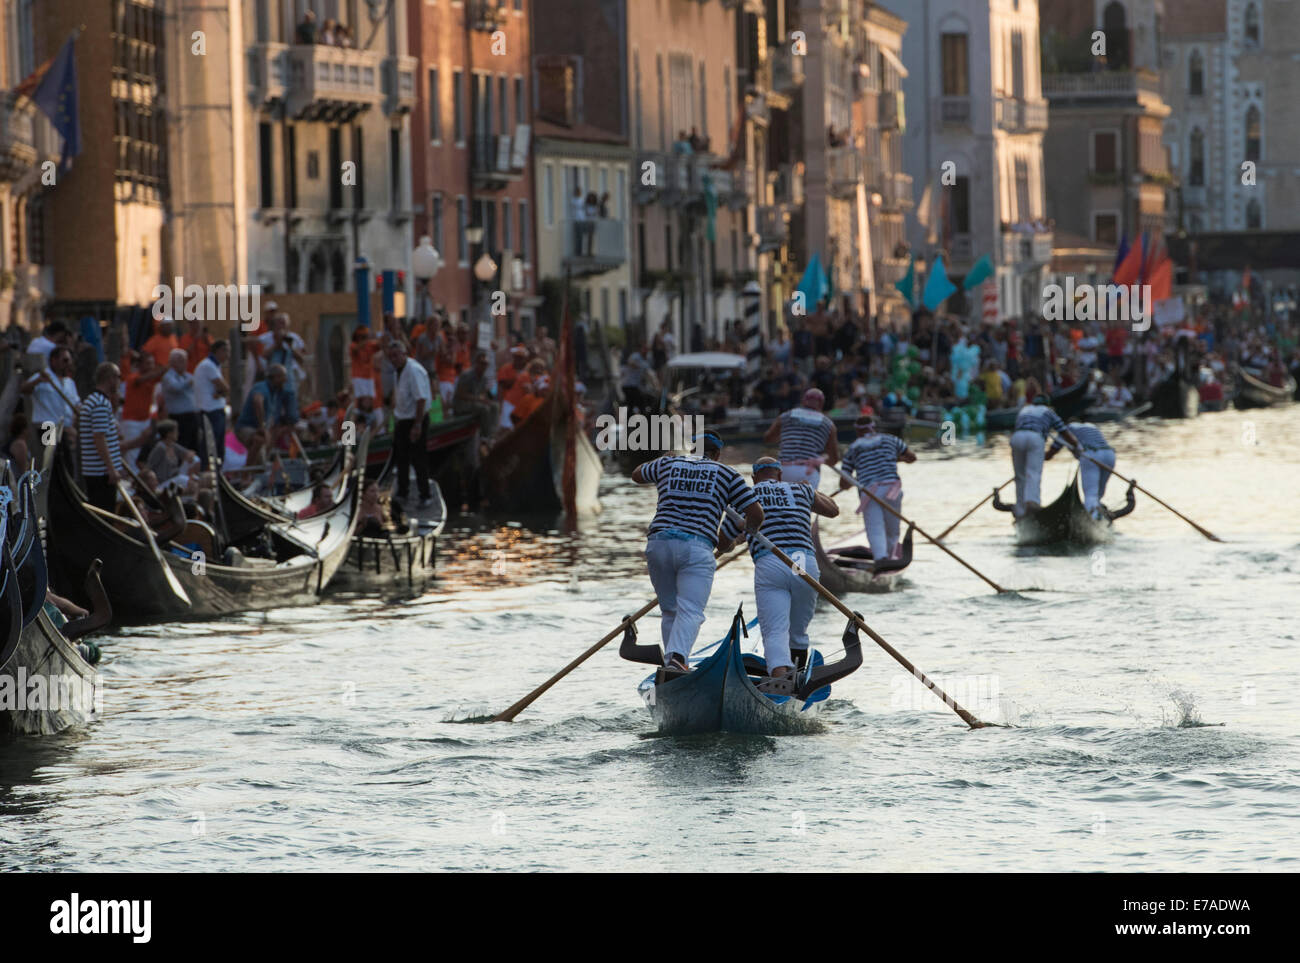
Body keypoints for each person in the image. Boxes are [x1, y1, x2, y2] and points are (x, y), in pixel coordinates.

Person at [631, 433, 763, 672]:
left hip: (658, 543)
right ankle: (678, 659)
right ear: (717, 454)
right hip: (696, 546)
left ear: (693, 449)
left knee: (670, 609)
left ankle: (673, 662)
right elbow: (756, 513)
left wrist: (666, 457)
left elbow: (637, 474)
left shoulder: (668, 463)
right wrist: (749, 532)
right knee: (690, 610)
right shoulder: (727, 474)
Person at [717, 456, 839, 682]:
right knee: (798, 632)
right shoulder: (800, 490)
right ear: (780, 474)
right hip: (805, 564)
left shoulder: (745, 497)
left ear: (754, 478)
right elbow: (833, 510)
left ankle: (780, 678)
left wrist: (737, 540)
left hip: (770, 561)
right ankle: (797, 679)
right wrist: (811, 490)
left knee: (775, 631)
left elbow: (722, 542)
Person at [839, 415, 916, 561]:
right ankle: (890, 558)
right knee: (892, 530)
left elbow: (844, 483)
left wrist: (854, 479)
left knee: (875, 529)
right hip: (892, 489)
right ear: (874, 427)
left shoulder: (853, 447)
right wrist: (895, 458)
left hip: (869, 492)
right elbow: (912, 458)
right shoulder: (891, 440)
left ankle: (881, 559)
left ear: (857, 431)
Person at [1010, 395, 1080, 517]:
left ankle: (1020, 509)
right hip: (1035, 437)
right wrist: (1077, 446)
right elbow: (1063, 431)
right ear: (1046, 404)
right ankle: (1032, 503)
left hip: (1016, 438)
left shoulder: (1024, 410)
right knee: (1033, 473)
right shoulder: (1048, 411)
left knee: (1020, 475)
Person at [387, 340, 433, 507]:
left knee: (418, 458)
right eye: (391, 356)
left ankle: (425, 494)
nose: (394, 359)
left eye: (396, 355)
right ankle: (403, 493)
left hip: (415, 419)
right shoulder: (397, 372)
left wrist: (418, 425)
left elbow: (421, 399)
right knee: (401, 458)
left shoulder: (413, 371)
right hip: (403, 419)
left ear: (404, 354)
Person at [78, 363, 128, 512]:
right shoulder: (100, 403)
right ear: (111, 378)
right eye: (119, 377)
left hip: (98, 471)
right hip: (101, 473)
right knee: (105, 514)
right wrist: (112, 469)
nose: (120, 381)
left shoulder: (93, 400)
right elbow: (99, 438)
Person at [763, 388, 839, 485]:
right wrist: (822, 459)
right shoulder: (828, 425)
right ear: (821, 404)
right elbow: (834, 459)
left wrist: (786, 437)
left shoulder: (786, 416)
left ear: (803, 401)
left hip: (783, 470)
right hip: (808, 472)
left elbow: (768, 438)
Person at [1048, 420, 1114, 519]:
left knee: (1090, 494)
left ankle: (1094, 518)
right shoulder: (1092, 426)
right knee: (1098, 494)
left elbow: (1051, 453)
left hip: (1091, 454)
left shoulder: (1066, 430)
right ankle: (1098, 513)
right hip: (1110, 455)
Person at [236, 364, 295, 464]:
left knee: (274, 433)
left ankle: (261, 467)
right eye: (283, 376)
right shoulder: (262, 387)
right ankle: (246, 474)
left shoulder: (275, 392)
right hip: (245, 427)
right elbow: (257, 401)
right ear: (275, 377)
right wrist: (262, 426)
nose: (285, 379)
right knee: (259, 439)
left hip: (259, 428)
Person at [22, 344, 80, 440]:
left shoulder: (70, 382)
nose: (68, 363)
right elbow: (23, 390)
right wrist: (37, 381)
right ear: (53, 360)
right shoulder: (43, 376)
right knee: (57, 447)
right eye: (65, 360)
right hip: (46, 427)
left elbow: (77, 404)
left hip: (66, 426)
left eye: (70, 360)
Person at [121, 352, 162, 468]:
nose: (151, 367)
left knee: (146, 453)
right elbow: (141, 380)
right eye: (148, 363)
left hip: (146, 421)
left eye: (152, 364)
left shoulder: (153, 382)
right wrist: (164, 368)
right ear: (140, 365)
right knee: (132, 453)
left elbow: (154, 404)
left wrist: (151, 423)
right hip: (131, 422)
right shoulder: (133, 377)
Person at [195, 340, 230, 467]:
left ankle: (217, 474)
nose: (228, 355)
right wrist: (222, 392)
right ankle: (209, 475)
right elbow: (225, 388)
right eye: (226, 351)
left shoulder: (215, 366)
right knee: (211, 447)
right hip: (211, 412)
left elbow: (222, 390)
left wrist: (220, 393)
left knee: (218, 448)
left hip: (215, 410)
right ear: (218, 351)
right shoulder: (208, 366)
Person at [452, 349, 500, 439]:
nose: (484, 366)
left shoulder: (484, 378)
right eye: (482, 363)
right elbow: (460, 394)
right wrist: (478, 399)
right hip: (461, 404)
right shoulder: (467, 375)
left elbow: (482, 394)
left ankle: (493, 434)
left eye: (486, 364)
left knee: (495, 406)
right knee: (484, 409)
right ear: (477, 363)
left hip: (473, 403)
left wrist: (485, 400)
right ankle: (486, 436)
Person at [160, 348, 200, 452]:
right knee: (182, 446)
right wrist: (189, 382)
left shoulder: (187, 375)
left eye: (185, 360)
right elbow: (176, 387)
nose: (185, 363)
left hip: (192, 416)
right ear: (172, 362)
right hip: (179, 418)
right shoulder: (168, 377)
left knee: (195, 445)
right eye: (181, 360)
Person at [146, 419, 198, 488]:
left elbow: (190, 454)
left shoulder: (173, 446)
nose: (178, 433)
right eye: (175, 431)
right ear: (169, 434)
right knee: (187, 482)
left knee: (196, 460)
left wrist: (189, 456)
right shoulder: (160, 448)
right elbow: (149, 467)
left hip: (174, 478)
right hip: (162, 483)